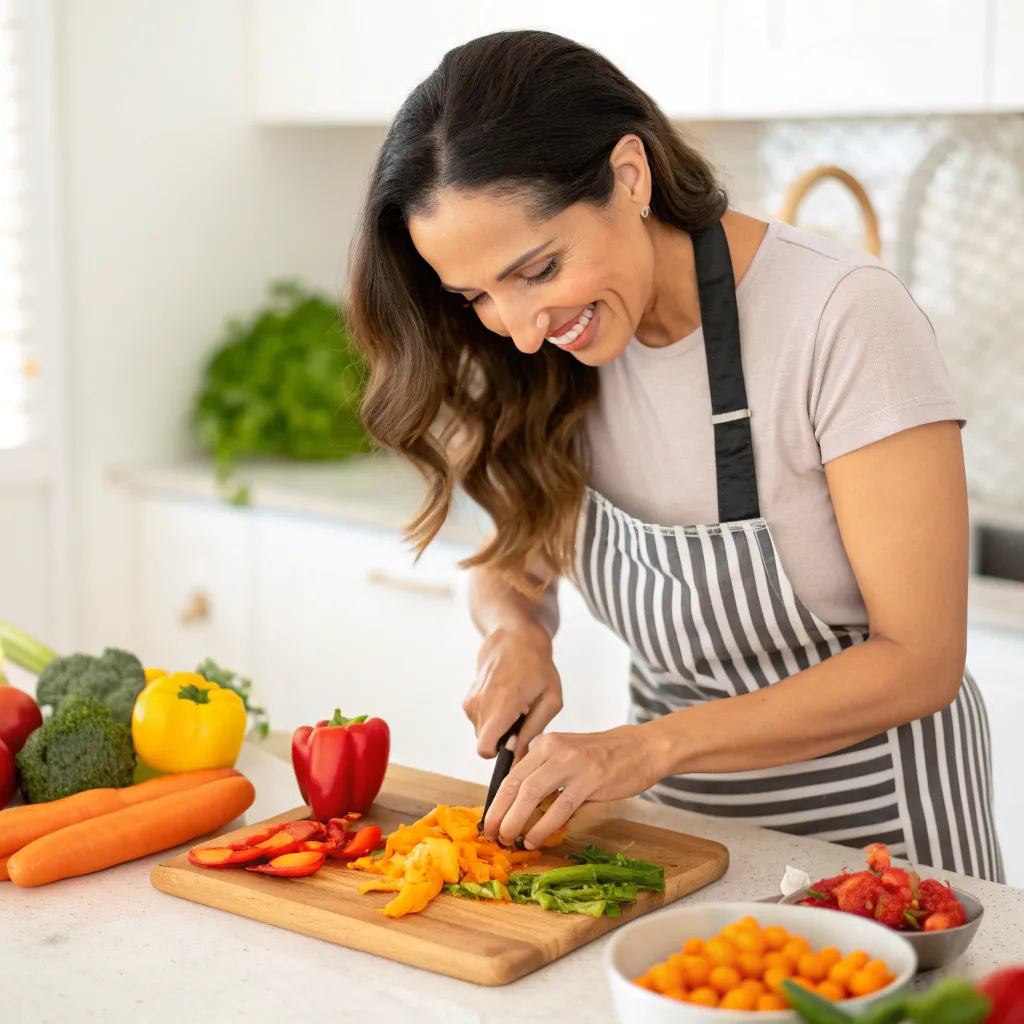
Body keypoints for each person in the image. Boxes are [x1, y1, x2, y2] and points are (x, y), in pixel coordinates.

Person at [347, 30, 1002, 881]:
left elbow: (920, 661)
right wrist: (513, 631)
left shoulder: (841, 317)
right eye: (476, 296)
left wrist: (642, 750)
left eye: (538, 269)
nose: (519, 325)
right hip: (685, 844)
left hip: (888, 855)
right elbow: (516, 545)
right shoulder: (537, 354)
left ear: (629, 176)